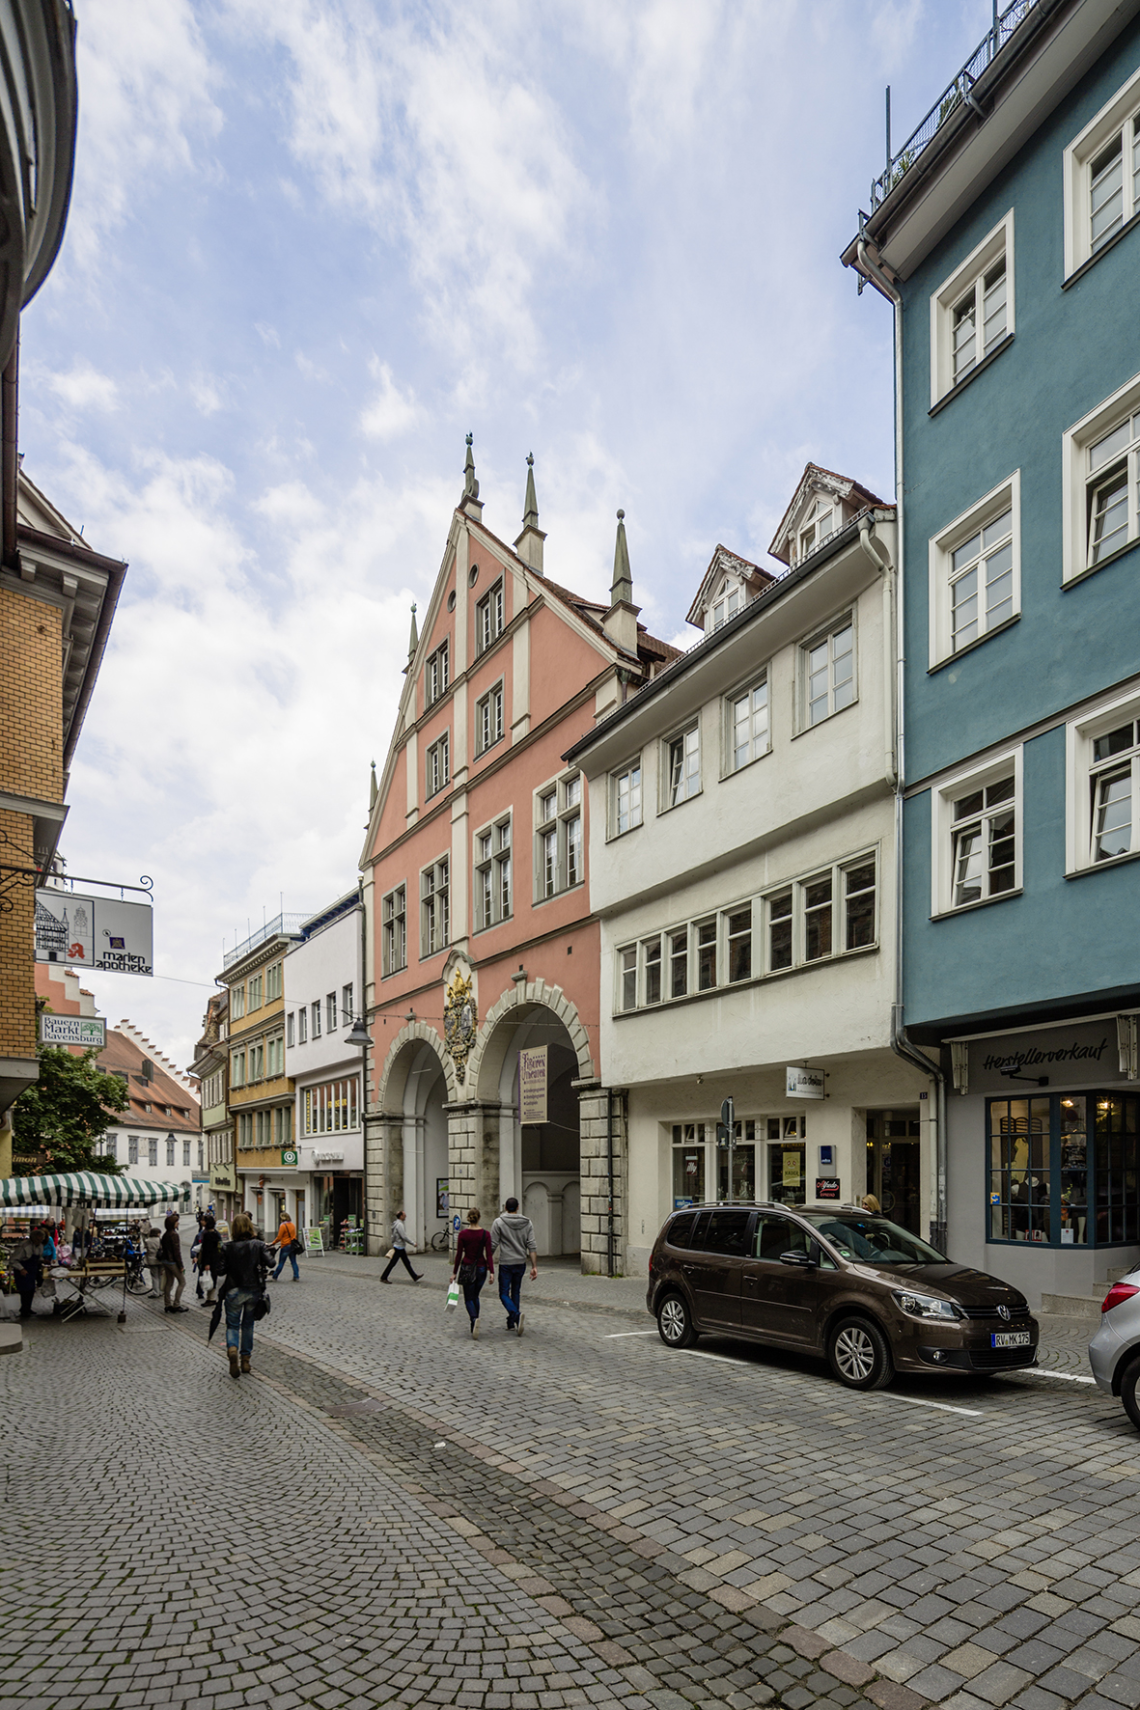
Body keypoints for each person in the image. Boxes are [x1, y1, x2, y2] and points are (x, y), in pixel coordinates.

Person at [218, 1210, 273, 1378]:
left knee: (233, 1325)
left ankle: (232, 1349)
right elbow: (271, 1262)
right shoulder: (258, 1245)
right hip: (253, 1290)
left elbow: (220, 1271)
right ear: (250, 1227)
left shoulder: (227, 1247)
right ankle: (246, 1360)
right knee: (248, 1325)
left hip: (234, 1290)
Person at [491, 1198, 537, 1336]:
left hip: (506, 1263)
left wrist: (487, 1262)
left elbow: (493, 1244)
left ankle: (516, 1316)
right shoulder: (527, 1222)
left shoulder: (498, 1222)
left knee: (504, 1293)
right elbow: (532, 1245)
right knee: (515, 1292)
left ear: (505, 1207)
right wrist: (534, 1266)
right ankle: (512, 1323)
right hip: (520, 1262)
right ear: (518, 1207)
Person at [452, 1208, 493, 1338]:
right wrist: (491, 1271)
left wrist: (454, 1272)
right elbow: (489, 1254)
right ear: (479, 1218)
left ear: (468, 1218)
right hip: (481, 1268)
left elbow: (458, 1255)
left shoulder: (463, 1234)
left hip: (467, 1267)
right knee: (476, 1296)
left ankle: (474, 1319)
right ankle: (475, 1322)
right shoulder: (485, 1234)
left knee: (468, 1298)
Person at [11, 1226, 46, 1319]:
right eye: (38, 1239)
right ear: (33, 1238)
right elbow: (13, 1260)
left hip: (32, 1269)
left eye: (41, 1239)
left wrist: (43, 1261)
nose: (40, 1241)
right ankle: (24, 1310)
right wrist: (21, 1269)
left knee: (31, 1290)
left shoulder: (40, 1246)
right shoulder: (23, 1246)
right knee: (25, 1290)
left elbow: (38, 1257)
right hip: (22, 1269)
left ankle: (28, 1308)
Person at [380, 1211, 422, 1283]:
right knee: (392, 1263)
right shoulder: (400, 1225)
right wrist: (413, 1243)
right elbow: (404, 1236)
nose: (405, 1216)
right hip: (399, 1247)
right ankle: (383, 1277)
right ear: (401, 1216)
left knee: (407, 1262)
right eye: (404, 1215)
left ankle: (414, 1276)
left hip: (399, 1246)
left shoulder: (396, 1223)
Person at [159, 1212, 188, 1313]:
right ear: (173, 1224)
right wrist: (181, 1266)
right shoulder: (174, 1235)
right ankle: (176, 1304)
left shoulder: (165, 1234)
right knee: (182, 1282)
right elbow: (177, 1252)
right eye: (177, 1222)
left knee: (169, 1282)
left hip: (165, 1261)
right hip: (172, 1262)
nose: (178, 1223)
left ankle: (167, 1304)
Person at [197, 1213, 222, 1305]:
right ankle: (211, 1297)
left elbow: (207, 1250)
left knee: (210, 1278)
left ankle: (210, 1298)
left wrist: (207, 1263)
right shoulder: (215, 1233)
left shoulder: (208, 1235)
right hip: (215, 1259)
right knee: (213, 1278)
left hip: (210, 1260)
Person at [271, 1209, 300, 1281]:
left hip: (285, 1245)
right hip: (292, 1245)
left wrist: (273, 1243)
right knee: (293, 1262)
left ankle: (275, 1276)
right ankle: (296, 1276)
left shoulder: (283, 1226)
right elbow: (294, 1235)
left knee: (281, 1262)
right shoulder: (292, 1225)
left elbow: (279, 1237)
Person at [143, 1223, 164, 1298]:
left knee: (154, 1277)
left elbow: (146, 1250)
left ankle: (156, 1292)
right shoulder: (160, 1240)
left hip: (151, 1260)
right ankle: (160, 1291)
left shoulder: (147, 1240)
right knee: (160, 1276)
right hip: (160, 1259)